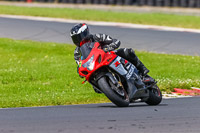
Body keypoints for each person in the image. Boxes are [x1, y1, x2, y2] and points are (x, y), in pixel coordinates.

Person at [70, 23, 149, 76]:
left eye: (79, 37)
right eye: (75, 38)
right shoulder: (77, 53)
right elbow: (80, 64)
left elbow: (115, 41)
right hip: (96, 66)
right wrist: (80, 70)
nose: (78, 40)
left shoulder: (97, 37)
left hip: (109, 56)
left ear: (85, 33)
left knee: (127, 52)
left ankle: (142, 69)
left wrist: (108, 48)